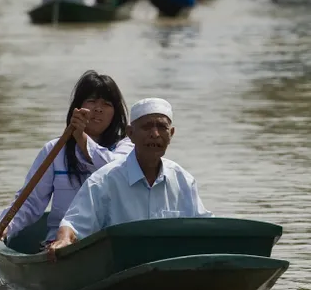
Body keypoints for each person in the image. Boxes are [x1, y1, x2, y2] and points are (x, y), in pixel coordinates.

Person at [0, 71, 133, 250]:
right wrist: (4, 227)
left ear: (115, 113)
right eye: (92, 101)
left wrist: (82, 138)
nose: (98, 109)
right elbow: (30, 202)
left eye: (107, 104)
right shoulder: (55, 151)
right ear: (78, 108)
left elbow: (115, 169)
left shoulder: (127, 147)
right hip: (60, 245)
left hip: (110, 243)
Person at [47, 97, 213, 255]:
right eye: (147, 127)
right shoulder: (104, 180)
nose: (155, 134)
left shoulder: (183, 180)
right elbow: (73, 225)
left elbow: (205, 226)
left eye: (162, 127)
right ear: (130, 133)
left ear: (172, 133)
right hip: (119, 268)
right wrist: (63, 240)